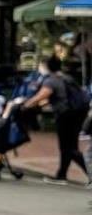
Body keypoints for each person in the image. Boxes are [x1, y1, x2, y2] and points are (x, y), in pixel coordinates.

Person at [24, 55, 90, 185]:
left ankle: (89, 172)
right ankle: (61, 175)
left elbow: (41, 96)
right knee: (68, 147)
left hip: (65, 116)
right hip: (77, 114)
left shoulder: (51, 80)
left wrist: (26, 104)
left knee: (69, 148)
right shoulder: (67, 78)